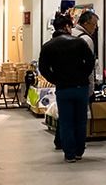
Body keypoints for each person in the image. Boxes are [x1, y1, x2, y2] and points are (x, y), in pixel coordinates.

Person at [39, 17, 95, 163]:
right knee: (81, 121)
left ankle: (69, 154)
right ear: (67, 27)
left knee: (66, 121)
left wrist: (55, 79)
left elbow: (43, 68)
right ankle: (79, 151)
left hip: (63, 89)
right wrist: (83, 75)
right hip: (81, 87)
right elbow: (90, 62)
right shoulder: (80, 42)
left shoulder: (48, 46)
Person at [49, 14, 73, 151]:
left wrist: (53, 78)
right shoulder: (72, 42)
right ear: (66, 27)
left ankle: (59, 140)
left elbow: (45, 66)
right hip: (71, 83)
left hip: (60, 83)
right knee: (71, 116)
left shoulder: (51, 43)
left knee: (63, 113)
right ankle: (67, 143)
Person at [72, 11, 99, 94]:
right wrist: (91, 88)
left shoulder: (70, 33)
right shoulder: (86, 39)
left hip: (65, 84)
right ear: (86, 23)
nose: (95, 28)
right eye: (94, 24)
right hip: (81, 84)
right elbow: (89, 65)